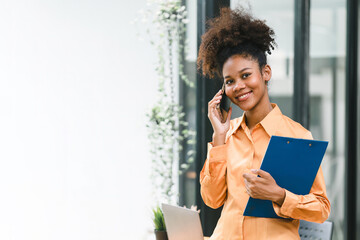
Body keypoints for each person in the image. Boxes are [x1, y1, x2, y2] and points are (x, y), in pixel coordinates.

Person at [197, 7, 330, 240]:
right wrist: (218, 138)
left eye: (246, 75)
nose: (238, 86)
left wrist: (279, 195)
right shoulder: (227, 136)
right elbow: (212, 199)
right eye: (229, 81)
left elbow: (321, 208)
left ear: (265, 72)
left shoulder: (298, 136)